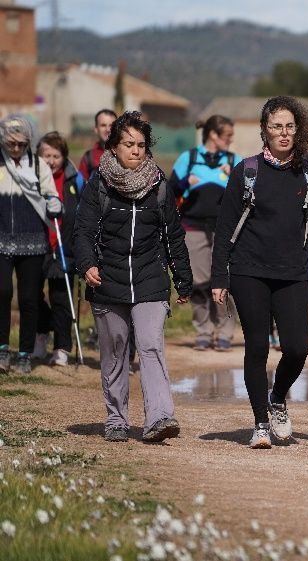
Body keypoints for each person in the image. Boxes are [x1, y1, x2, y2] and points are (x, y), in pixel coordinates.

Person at [211, 96, 308, 449]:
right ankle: (260, 423)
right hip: (249, 270)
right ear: (264, 131)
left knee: (297, 347)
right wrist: (220, 277)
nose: (283, 133)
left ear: (298, 131)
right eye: (276, 126)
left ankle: (278, 397)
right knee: (256, 347)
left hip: (292, 271)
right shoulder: (246, 171)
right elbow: (224, 229)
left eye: (289, 127)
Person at [74, 111, 192, 442]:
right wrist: (86, 264)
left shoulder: (159, 187)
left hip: (150, 278)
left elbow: (173, 235)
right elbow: (82, 232)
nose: (136, 151)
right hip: (107, 279)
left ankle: (160, 416)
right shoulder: (99, 186)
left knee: (151, 345)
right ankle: (116, 419)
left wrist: (183, 278)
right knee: (115, 352)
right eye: (129, 144)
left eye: (141, 145)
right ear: (113, 147)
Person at [167, 115, 242, 351]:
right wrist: (184, 183)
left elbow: (249, 196)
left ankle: (225, 331)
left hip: (225, 230)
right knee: (199, 283)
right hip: (193, 228)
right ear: (213, 134)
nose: (231, 140)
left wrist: (235, 179)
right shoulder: (187, 159)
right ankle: (203, 329)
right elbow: (169, 192)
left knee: (224, 281)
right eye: (227, 136)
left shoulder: (234, 161)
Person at [0, 115, 63, 374]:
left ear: (28, 143)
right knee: (2, 294)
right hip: (2, 241)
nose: (15, 149)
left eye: (21, 144)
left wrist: (55, 204)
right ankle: (2, 349)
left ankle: (25, 353)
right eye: (10, 144)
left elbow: (51, 196)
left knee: (29, 300)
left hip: (34, 243)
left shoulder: (38, 167)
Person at [34, 132, 84, 366]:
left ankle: (62, 347)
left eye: (56, 155)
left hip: (65, 247)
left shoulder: (75, 180)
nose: (51, 161)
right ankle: (41, 331)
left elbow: (84, 211)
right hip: (36, 245)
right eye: (46, 156)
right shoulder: (31, 179)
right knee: (31, 295)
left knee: (62, 297)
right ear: (38, 157)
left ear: (64, 157)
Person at [78, 109, 117, 183]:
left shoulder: (127, 153)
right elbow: (82, 188)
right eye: (103, 125)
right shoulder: (88, 158)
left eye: (111, 125)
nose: (108, 129)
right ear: (96, 129)